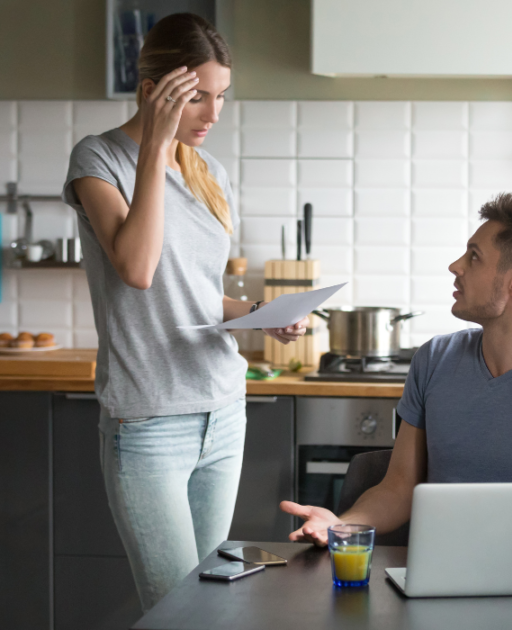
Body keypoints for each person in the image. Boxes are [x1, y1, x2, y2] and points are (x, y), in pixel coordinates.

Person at [61, 13, 309, 611]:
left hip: (223, 410)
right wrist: (155, 148)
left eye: (221, 97)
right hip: (148, 422)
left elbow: (195, 293)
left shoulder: (209, 173)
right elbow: (138, 269)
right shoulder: (98, 161)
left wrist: (257, 311)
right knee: (174, 608)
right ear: (153, 91)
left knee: (215, 599)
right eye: (198, 98)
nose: (213, 114)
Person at [280, 193, 512, 554]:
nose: (456, 267)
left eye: (474, 257)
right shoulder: (435, 359)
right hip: (440, 569)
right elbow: (399, 488)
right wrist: (340, 526)